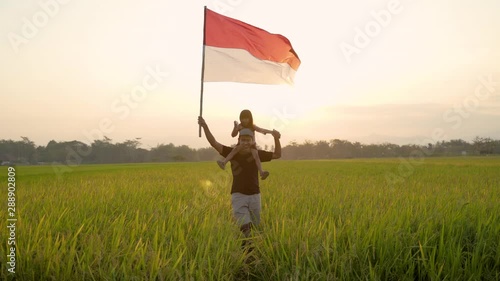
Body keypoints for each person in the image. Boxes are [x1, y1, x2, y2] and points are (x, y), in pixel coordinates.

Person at [198, 116, 281, 250]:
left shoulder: (257, 153)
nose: (245, 143)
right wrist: (205, 126)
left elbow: (277, 155)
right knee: (245, 227)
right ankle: (247, 253)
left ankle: (250, 252)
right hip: (238, 196)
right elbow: (214, 143)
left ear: (252, 141)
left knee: (254, 227)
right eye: (243, 140)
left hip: (255, 196)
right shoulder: (233, 153)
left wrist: (276, 138)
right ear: (239, 141)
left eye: (248, 140)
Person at [217, 109, 275, 180]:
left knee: (256, 156)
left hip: (251, 145)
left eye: (246, 118)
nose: (244, 120)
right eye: (242, 118)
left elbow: (261, 130)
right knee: (234, 150)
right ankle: (224, 162)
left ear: (250, 119)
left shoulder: (252, 126)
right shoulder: (240, 126)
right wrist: (235, 128)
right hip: (240, 145)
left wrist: (271, 132)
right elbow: (233, 135)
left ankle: (261, 172)